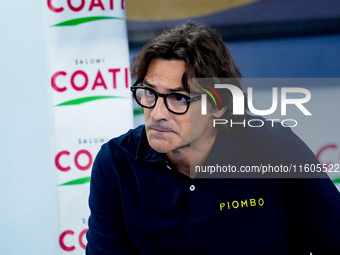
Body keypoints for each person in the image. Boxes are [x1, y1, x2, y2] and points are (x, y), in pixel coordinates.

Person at [86, 21, 340, 255]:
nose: (157, 113)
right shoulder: (116, 163)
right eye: (149, 93)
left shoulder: (277, 150)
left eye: (179, 98)